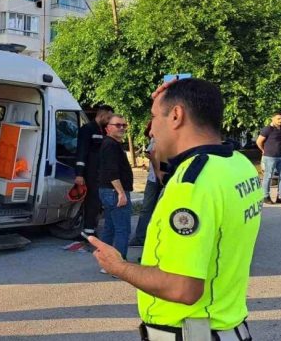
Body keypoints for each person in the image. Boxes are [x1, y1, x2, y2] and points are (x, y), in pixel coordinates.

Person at [90, 78, 259, 340]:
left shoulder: (192, 184)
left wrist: (118, 266)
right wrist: (161, 106)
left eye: (155, 118)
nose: (151, 131)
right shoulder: (238, 164)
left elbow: (184, 289)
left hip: (193, 333)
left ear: (177, 116)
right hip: (225, 327)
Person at [97, 114, 133, 267]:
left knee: (110, 228)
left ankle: (106, 264)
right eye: (118, 125)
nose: (122, 128)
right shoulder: (110, 145)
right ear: (108, 128)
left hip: (108, 191)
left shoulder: (110, 144)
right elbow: (112, 171)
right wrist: (121, 193)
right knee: (122, 229)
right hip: (114, 192)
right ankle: (117, 266)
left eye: (124, 125)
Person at [75, 105, 114, 238]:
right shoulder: (87, 129)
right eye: (108, 117)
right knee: (92, 201)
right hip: (90, 172)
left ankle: (91, 228)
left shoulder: (103, 130)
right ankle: (88, 231)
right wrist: (79, 174)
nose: (109, 120)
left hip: (101, 172)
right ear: (102, 115)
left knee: (98, 201)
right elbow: (81, 152)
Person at [129, 122, 165, 247]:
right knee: (149, 208)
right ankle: (142, 237)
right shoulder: (156, 138)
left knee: (148, 208)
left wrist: (158, 172)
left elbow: (152, 155)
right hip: (155, 178)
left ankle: (142, 238)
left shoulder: (161, 137)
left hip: (158, 178)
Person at [256, 112, 281, 204]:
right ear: (273, 119)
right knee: (268, 176)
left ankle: (280, 197)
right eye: (278, 119)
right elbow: (259, 142)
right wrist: (263, 151)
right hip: (270, 157)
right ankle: (266, 196)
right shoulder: (267, 129)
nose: (280, 120)